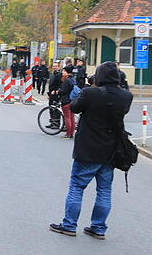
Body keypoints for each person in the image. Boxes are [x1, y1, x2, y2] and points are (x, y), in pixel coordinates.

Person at [50, 62, 134, 239]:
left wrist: (88, 89)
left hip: (88, 149)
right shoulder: (126, 96)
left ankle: (69, 225)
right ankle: (98, 228)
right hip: (111, 151)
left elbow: (74, 107)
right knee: (104, 190)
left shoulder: (90, 93)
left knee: (77, 186)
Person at [60, 66, 76, 139]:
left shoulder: (67, 80)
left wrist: (58, 91)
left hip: (66, 100)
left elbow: (63, 91)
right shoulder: (73, 79)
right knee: (72, 117)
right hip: (72, 100)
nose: (62, 72)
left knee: (67, 118)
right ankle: (71, 133)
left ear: (67, 72)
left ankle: (68, 134)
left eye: (64, 71)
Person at [47, 61, 62, 128]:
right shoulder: (53, 74)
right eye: (53, 66)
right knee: (51, 108)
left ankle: (56, 124)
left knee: (55, 109)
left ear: (58, 67)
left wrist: (55, 90)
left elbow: (59, 84)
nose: (54, 67)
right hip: (51, 94)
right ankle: (52, 122)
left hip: (56, 94)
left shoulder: (59, 74)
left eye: (56, 66)